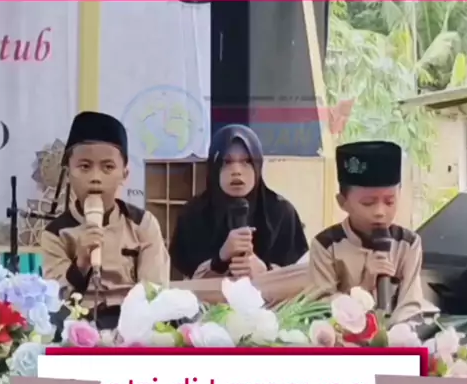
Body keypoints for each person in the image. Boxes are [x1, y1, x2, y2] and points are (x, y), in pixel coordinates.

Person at [41, 111, 169, 328]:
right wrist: (81, 264)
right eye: (84, 166)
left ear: (124, 174)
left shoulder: (143, 224)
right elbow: (56, 303)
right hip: (76, 329)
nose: (95, 178)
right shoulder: (56, 233)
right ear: (69, 173)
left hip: (132, 326)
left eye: (108, 167)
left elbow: (154, 292)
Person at [170, 124, 309, 279]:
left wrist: (265, 271)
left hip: (271, 295)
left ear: (257, 165)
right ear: (214, 167)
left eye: (246, 161)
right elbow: (182, 280)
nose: (236, 171)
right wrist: (219, 260)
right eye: (227, 162)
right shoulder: (193, 214)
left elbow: (300, 276)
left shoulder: (281, 212)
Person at [309, 140, 425, 323]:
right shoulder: (326, 246)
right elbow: (321, 307)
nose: (380, 212)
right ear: (342, 202)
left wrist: (396, 332)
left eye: (389, 202)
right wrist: (363, 286)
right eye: (368, 203)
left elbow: (410, 305)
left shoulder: (408, 243)